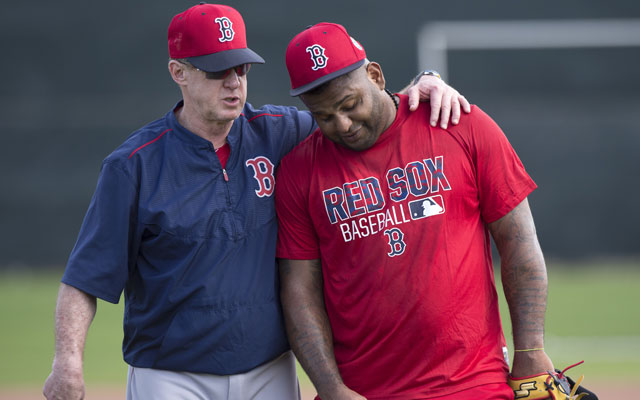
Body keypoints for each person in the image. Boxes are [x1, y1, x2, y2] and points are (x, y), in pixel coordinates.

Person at [42, 3, 469, 400]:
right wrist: (68, 362)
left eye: (241, 67)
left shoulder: (282, 132)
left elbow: (358, 112)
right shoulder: (133, 166)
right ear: (179, 72)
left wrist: (423, 81)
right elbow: (86, 277)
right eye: (216, 70)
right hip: (172, 374)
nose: (234, 82)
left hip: (270, 369)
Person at [275, 22, 562, 399]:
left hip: (472, 384)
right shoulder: (300, 171)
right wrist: (330, 388)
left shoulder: (459, 124)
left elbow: (519, 242)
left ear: (375, 76)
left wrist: (530, 350)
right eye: (324, 117)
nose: (342, 125)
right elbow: (300, 291)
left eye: (350, 105)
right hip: (366, 392)